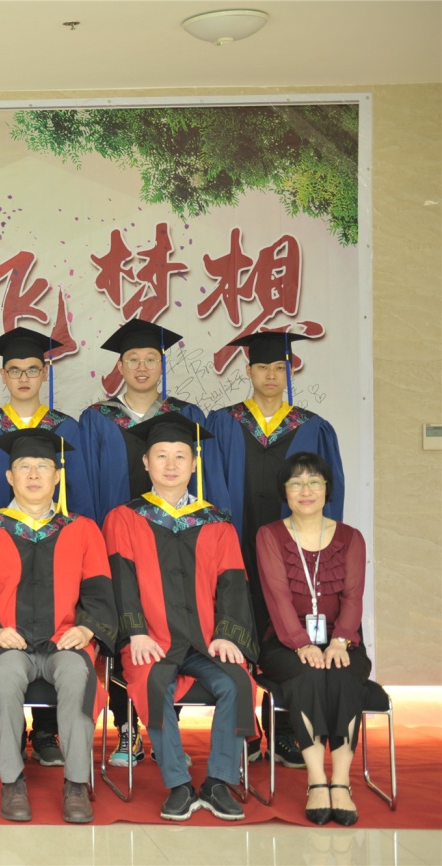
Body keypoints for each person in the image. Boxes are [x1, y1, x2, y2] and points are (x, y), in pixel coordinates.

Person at [77, 318, 219, 769]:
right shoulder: (97, 419)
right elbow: (84, 487)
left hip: (179, 549)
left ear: (162, 365)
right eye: (133, 359)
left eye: (150, 359)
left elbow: (204, 486)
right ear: (119, 366)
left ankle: (165, 731)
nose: (142, 367)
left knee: (176, 635)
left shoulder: (186, 416)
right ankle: (127, 731)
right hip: (117, 545)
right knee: (124, 633)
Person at [102, 413, 257, 822]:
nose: (171, 465)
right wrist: (135, 632)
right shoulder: (124, 518)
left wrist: (228, 634)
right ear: (145, 463)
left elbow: (233, 583)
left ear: (194, 463)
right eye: (161, 456)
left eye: (180, 456)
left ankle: (218, 781)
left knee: (238, 682)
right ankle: (179, 784)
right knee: (153, 683)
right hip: (151, 639)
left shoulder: (216, 522)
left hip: (205, 640)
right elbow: (121, 581)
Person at [0, 429, 117, 824]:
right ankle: (12, 782)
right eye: (24, 467)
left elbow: (99, 593)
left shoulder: (82, 529)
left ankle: (76, 784)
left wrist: (87, 629)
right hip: (7, 643)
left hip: (64, 642)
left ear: (57, 476)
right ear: (9, 477)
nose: (33, 475)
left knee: (78, 676)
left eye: (42, 466)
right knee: (5, 675)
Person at [0, 326, 96, 768]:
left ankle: (48, 731)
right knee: (12, 649)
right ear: (2, 375)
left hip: (55, 554)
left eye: (32, 369)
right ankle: (12, 737)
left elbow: (81, 500)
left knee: (60, 635)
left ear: (44, 374)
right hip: (1, 564)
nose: (23, 378)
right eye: (14, 370)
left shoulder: (66, 429)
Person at [207, 331, 345, 768]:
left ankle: (286, 730)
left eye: (279, 368)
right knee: (236, 630)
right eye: (262, 367)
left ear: (289, 372)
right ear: (247, 372)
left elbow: (328, 498)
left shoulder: (312, 427)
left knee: (292, 632)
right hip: (237, 549)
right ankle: (244, 730)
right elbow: (209, 490)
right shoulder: (223, 423)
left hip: (295, 557)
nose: (271, 375)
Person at [255, 452, 369, 826]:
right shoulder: (270, 535)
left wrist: (341, 642)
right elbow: (277, 596)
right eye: (296, 483)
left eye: (314, 482)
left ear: (326, 489)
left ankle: (341, 782)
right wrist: (301, 643)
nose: (306, 491)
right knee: (306, 674)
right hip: (284, 641)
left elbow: (353, 597)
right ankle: (317, 780)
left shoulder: (351, 537)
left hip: (342, 640)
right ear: (285, 491)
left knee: (343, 675)